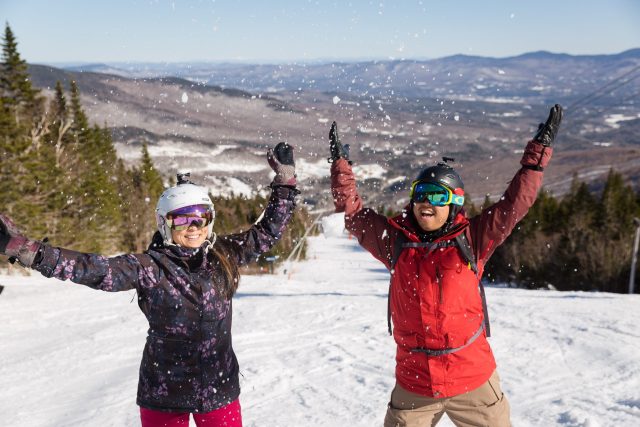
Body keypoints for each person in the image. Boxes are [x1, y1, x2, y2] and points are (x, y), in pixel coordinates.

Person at [0, 142, 299, 427]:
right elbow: (94, 269)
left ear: (210, 220)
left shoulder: (224, 254)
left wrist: (285, 183)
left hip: (219, 389)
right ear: (165, 223)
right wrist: (29, 251)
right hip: (165, 393)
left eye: (200, 218)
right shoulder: (150, 268)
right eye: (182, 219)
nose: (193, 228)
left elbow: (266, 233)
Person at [328, 105, 562, 427]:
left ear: (454, 204)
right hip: (416, 383)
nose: (427, 202)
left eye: (438, 196)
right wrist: (341, 167)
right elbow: (353, 215)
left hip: (472, 378)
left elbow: (515, 204)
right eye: (420, 194)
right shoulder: (394, 242)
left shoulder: (472, 240)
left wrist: (536, 158)